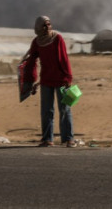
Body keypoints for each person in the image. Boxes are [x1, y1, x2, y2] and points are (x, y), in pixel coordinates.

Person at [21, 15, 76, 147]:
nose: (47, 27)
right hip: (46, 80)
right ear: (38, 27)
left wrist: (68, 77)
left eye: (49, 24)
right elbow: (31, 60)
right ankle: (47, 139)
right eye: (44, 25)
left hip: (61, 79)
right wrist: (30, 80)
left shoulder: (57, 38)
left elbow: (64, 59)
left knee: (65, 109)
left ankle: (69, 139)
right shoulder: (37, 42)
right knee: (46, 111)